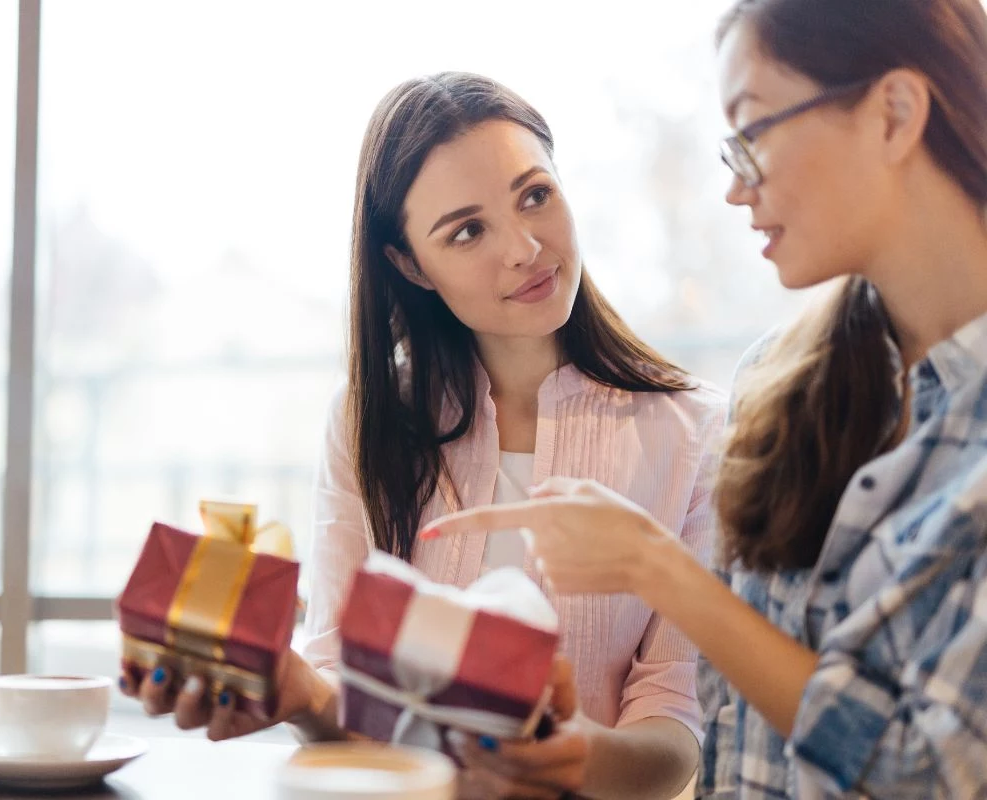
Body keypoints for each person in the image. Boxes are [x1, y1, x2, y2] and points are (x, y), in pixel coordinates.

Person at [423, 2, 987, 797]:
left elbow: (931, 772)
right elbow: (734, 737)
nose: (733, 188)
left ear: (893, 113)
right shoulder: (777, 384)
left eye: (753, 132)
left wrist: (655, 568)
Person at [122, 71, 726, 800]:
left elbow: (676, 727)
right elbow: (343, 687)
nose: (525, 248)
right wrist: (301, 694)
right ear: (409, 264)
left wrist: (571, 753)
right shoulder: (367, 421)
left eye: (535, 195)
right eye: (468, 231)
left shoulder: (694, 432)